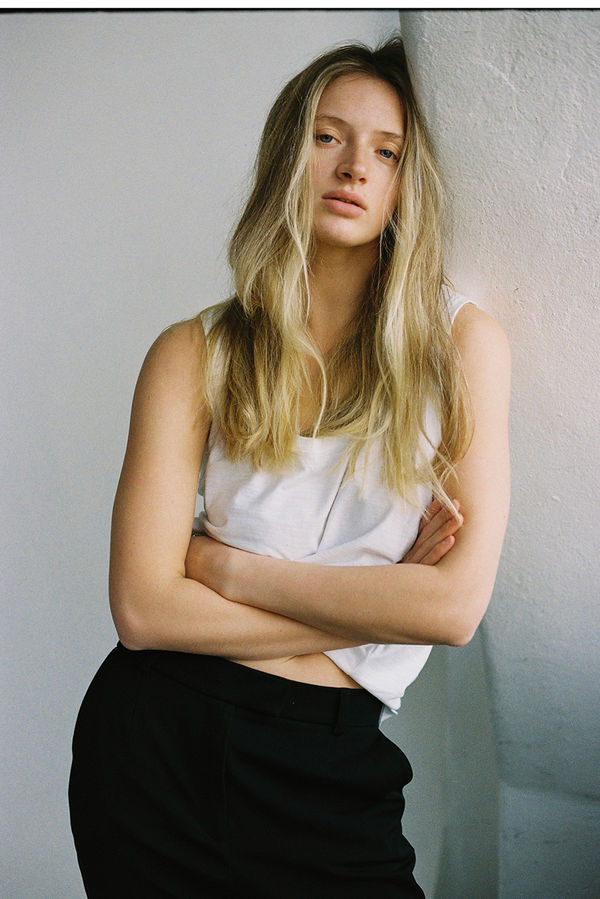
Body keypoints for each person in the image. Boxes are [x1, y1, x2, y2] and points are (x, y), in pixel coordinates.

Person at [69, 36, 510, 898]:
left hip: (333, 758)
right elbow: (144, 610)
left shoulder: (462, 346)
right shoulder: (193, 352)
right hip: (155, 746)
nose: (354, 168)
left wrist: (225, 568)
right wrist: (380, 607)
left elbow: (453, 608)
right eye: (327, 137)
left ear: (407, 182)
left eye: (387, 152)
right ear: (286, 156)